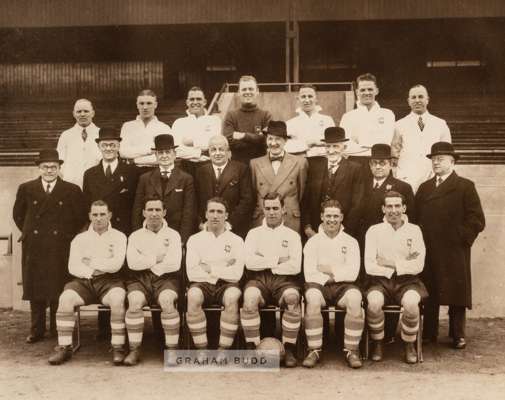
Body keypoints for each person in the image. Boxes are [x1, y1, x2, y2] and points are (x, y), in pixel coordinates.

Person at [415, 142, 485, 349]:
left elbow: (477, 219)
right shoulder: (425, 187)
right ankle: (429, 333)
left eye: (441, 159)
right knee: (431, 290)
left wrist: (460, 237)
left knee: (456, 292)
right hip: (429, 248)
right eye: (433, 159)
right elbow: (415, 216)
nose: (436, 162)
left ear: (452, 162)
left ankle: (458, 334)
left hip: (454, 249)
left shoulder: (465, 186)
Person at [13, 149, 86, 344]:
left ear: (59, 168)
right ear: (38, 168)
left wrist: (65, 235)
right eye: (45, 167)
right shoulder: (26, 188)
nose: (49, 170)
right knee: (35, 288)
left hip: (60, 245)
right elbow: (19, 215)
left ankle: (56, 328)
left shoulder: (71, 190)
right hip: (35, 245)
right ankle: (36, 330)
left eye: (54, 167)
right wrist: (31, 231)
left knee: (58, 286)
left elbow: (79, 217)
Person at [48, 200, 127, 365]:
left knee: (118, 299)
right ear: (90, 216)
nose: (99, 218)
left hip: (110, 281)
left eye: (102, 214)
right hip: (84, 280)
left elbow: (116, 265)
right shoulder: (80, 238)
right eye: (95, 214)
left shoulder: (119, 237)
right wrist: (93, 270)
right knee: (65, 299)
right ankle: (64, 347)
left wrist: (91, 261)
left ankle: (118, 347)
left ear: (109, 215)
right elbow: (73, 266)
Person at [365, 191, 427, 364]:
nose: (394, 210)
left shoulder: (414, 230)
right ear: (383, 209)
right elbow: (370, 265)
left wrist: (389, 263)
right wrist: (402, 262)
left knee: (411, 303)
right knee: (374, 302)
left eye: (397, 206)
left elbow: (418, 265)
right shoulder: (374, 231)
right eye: (389, 206)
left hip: (408, 281)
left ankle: (409, 344)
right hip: (380, 281)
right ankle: (378, 342)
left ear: (404, 208)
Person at [241, 192, 303, 368]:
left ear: (283, 209)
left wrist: (265, 259)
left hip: (285, 281)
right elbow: (250, 263)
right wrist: (278, 259)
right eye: (268, 208)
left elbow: (295, 266)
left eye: (276, 208)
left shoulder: (292, 235)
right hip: (259, 280)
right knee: (250, 297)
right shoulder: (254, 234)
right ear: (263, 209)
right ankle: (251, 347)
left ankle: (289, 348)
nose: (272, 212)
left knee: (292, 298)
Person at [302, 200, 364, 369]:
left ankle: (352, 350)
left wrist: (328, 271)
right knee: (313, 298)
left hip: (343, 287)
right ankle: (314, 350)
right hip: (318, 286)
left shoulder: (351, 241)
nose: (332, 220)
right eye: (328, 216)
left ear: (342, 217)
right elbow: (309, 273)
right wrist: (338, 272)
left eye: (336, 216)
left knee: (355, 297)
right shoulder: (313, 242)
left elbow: (353, 273)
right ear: (322, 216)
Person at [123, 197, 183, 366]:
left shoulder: (173, 235)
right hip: (140, 278)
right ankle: (134, 349)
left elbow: (174, 263)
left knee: (167, 300)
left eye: (158, 210)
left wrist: (148, 262)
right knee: (134, 302)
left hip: (166, 278)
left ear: (164, 212)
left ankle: (172, 349)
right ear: (143, 213)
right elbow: (133, 263)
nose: (154, 214)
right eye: (150, 210)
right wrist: (156, 258)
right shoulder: (135, 236)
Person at [186, 197, 244, 352]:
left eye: (220, 212)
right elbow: (192, 273)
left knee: (232, 297)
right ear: (206, 214)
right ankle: (202, 349)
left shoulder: (236, 241)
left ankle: (223, 349)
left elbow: (236, 274)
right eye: (211, 211)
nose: (215, 215)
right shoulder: (194, 240)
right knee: (193, 296)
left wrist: (209, 268)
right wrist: (224, 267)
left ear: (226, 215)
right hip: (201, 284)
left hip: (228, 285)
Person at [132, 134, 195, 243]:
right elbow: (137, 209)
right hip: (149, 233)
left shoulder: (186, 179)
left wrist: (183, 239)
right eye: (160, 153)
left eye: (168, 152)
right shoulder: (145, 179)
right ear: (156, 155)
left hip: (176, 234)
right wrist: (138, 236)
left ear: (174, 154)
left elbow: (188, 212)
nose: (164, 156)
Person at [302, 127, 363, 239]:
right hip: (316, 232)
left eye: (335, 146)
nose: (331, 150)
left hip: (343, 231)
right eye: (328, 146)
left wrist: (345, 233)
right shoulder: (315, 169)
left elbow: (357, 206)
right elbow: (306, 200)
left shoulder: (355, 169)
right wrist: (307, 227)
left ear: (344, 147)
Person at [250, 120, 308, 233]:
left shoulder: (300, 163)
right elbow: (253, 193)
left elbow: (302, 194)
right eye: (270, 139)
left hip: (289, 219)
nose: (273, 143)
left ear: (285, 141)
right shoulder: (254, 164)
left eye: (278, 139)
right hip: (263, 218)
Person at [392, 85, 452, 192]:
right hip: (407, 177)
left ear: (427, 100)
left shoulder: (440, 124)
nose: (417, 100)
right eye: (413, 97)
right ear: (408, 101)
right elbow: (394, 153)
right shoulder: (399, 125)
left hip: (432, 175)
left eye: (420, 96)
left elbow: (447, 153)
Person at [358, 144, 415, 256]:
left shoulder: (403, 187)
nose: (378, 167)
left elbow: (411, 219)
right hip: (363, 240)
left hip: (389, 242)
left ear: (391, 165)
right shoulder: (361, 184)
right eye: (374, 163)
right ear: (370, 165)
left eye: (382, 163)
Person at [194, 135, 254, 238]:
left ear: (228, 152)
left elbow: (247, 200)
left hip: (234, 229)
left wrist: (230, 223)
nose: (217, 153)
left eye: (221, 149)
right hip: (206, 228)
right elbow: (195, 200)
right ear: (209, 152)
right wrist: (201, 223)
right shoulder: (200, 171)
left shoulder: (241, 169)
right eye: (213, 150)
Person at [83, 128, 140, 236]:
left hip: (124, 229)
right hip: (98, 229)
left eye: (112, 145)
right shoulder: (89, 174)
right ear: (99, 147)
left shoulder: (132, 172)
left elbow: (136, 204)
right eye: (104, 145)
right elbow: (86, 205)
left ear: (118, 146)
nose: (108, 148)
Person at [339, 73, 395, 176]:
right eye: (362, 90)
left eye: (370, 89)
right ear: (357, 92)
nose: (366, 93)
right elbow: (346, 147)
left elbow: (385, 143)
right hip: (355, 164)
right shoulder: (348, 117)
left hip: (380, 163)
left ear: (376, 91)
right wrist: (372, 144)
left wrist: (360, 143)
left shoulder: (387, 114)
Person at [171, 86, 222, 176]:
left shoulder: (215, 120)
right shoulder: (179, 122)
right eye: (192, 99)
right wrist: (201, 152)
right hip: (186, 167)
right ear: (187, 102)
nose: (195, 102)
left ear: (204, 102)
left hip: (209, 165)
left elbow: (215, 144)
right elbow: (176, 150)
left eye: (198, 99)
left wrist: (192, 142)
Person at [223, 75, 271, 164]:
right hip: (237, 166)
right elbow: (228, 142)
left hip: (261, 166)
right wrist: (257, 139)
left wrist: (244, 136)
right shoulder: (231, 115)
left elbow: (267, 140)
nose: (247, 92)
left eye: (251, 89)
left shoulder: (266, 115)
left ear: (257, 91)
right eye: (244, 89)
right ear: (238, 92)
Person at [119, 89, 172, 167]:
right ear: (137, 105)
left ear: (155, 105)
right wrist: (151, 149)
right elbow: (123, 152)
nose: (145, 107)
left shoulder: (164, 128)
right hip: (132, 170)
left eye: (149, 103)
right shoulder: (127, 126)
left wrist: (134, 160)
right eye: (141, 103)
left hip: (155, 171)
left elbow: (164, 157)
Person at [57, 98, 101, 189]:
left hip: (96, 183)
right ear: (73, 114)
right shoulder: (66, 135)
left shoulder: (101, 134)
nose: (82, 114)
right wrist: (66, 179)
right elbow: (59, 161)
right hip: (71, 183)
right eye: (79, 111)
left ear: (93, 113)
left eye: (86, 111)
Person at [285, 84, 335, 157]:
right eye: (303, 97)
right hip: (299, 163)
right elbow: (286, 147)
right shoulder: (290, 123)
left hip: (323, 162)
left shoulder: (327, 120)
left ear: (316, 99)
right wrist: (309, 143)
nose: (307, 100)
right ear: (298, 99)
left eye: (310, 96)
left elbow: (333, 145)